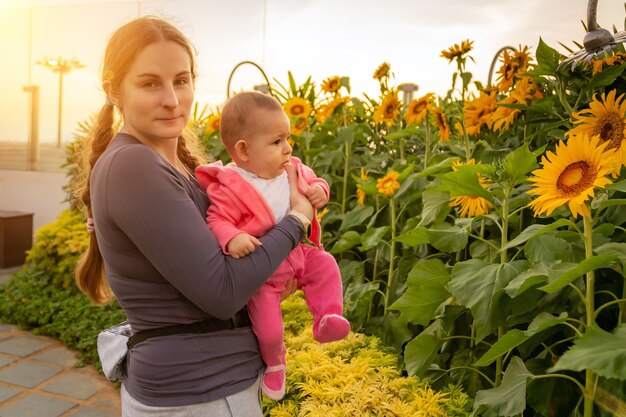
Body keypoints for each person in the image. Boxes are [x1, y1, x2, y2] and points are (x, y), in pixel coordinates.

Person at [74, 16, 313, 417]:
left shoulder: (175, 165)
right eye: (150, 83)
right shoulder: (133, 165)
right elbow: (222, 292)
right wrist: (297, 221)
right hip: (198, 393)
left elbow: (229, 266)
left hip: (211, 387)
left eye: (181, 81)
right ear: (114, 90)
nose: (172, 98)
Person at [195, 91, 351, 401]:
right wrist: (232, 237)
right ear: (243, 150)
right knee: (268, 330)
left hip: (298, 253)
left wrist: (320, 190)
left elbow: (315, 181)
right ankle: (275, 363)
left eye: (288, 138)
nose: (288, 148)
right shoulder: (231, 185)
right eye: (277, 141)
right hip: (263, 273)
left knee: (327, 266)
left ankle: (327, 318)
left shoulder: (291, 168)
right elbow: (216, 219)